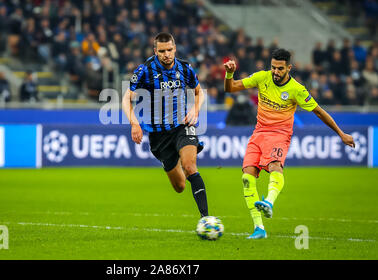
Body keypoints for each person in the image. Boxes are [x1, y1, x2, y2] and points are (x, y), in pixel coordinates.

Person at [224, 48, 355, 239]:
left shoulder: (297, 90)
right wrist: (229, 73)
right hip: (258, 133)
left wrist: (341, 133)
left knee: (275, 165)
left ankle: (269, 201)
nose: (275, 72)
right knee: (247, 178)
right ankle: (259, 228)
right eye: (273, 67)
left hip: (279, 134)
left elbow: (318, 111)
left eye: (280, 69)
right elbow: (230, 88)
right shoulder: (262, 77)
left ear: (289, 68)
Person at [122, 32, 209, 218]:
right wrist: (134, 124)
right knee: (179, 186)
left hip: (181, 126)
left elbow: (199, 93)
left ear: (175, 48)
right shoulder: (145, 70)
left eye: (170, 50)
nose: (166, 54)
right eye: (162, 51)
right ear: (155, 51)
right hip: (159, 136)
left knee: (190, 166)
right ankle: (178, 160)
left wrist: (195, 109)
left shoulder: (185, 69)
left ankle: (206, 219)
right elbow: (125, 99)